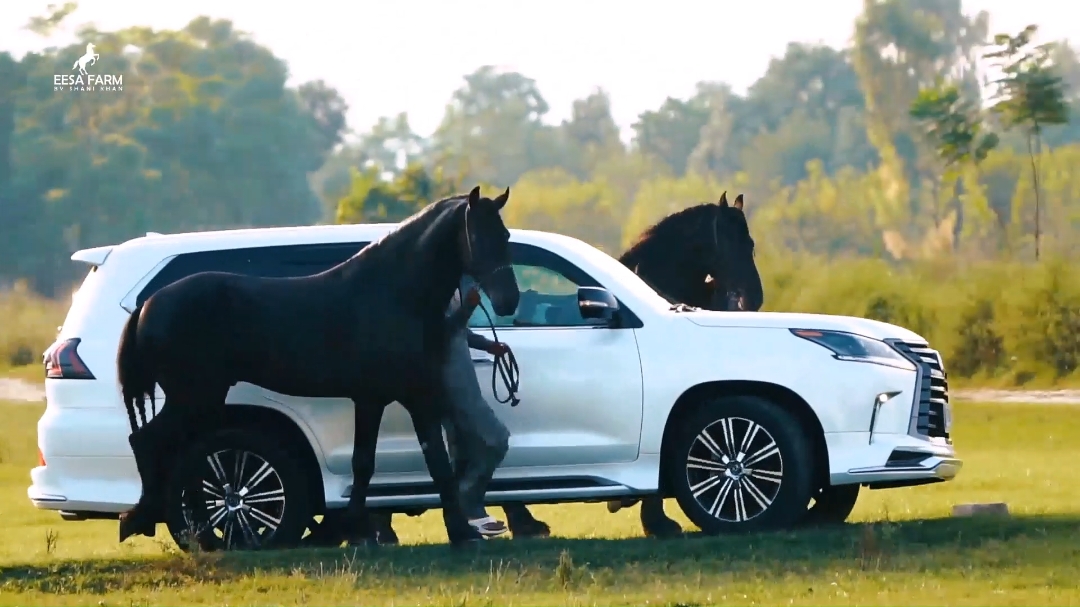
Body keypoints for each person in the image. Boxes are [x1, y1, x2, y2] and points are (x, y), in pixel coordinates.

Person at [438, 275, 514, 536]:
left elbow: (459, 331)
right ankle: (467, 503)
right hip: (450, 384)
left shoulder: (456, 282)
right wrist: (468, 307)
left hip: (462, 379)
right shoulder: (432, 283)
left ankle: (467, 517)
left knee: (462, 452)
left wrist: (487, 345)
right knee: (495, 439)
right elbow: (441, 332)